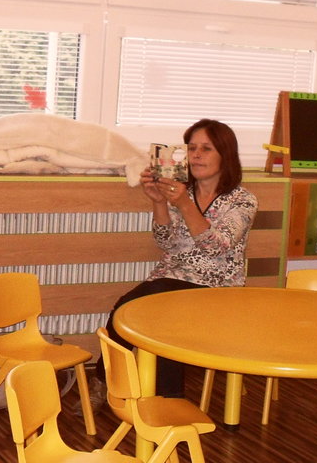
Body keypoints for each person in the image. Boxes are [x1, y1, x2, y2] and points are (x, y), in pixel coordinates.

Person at [98, 118, 256, 398]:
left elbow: (216, 247)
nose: (196, 155)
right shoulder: (182, 190)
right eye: (191, 148)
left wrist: (184, 204)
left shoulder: (242, 200)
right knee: (125, 308)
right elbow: (164, 242)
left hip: (217, 288)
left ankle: (164, 401)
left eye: (206, 148)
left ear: (226, 155)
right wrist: (159, 202)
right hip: (170, 280)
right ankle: (108, 380)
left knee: (162, 319)